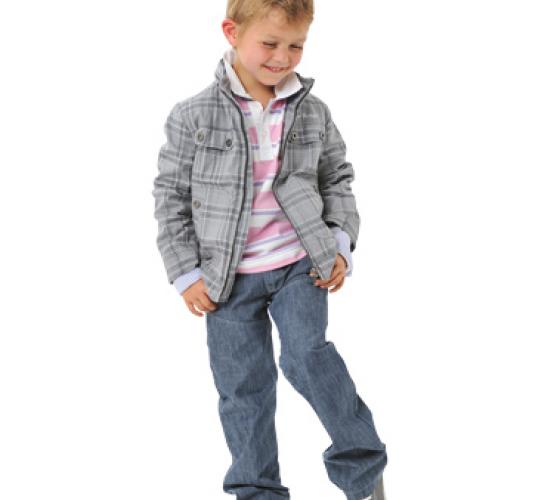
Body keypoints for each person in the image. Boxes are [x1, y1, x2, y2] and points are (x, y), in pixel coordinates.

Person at [152, 1, 388, 498]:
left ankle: (363, 469)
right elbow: (170, 196)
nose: (283, 57)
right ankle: (257, 490)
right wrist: (185, 272)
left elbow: (337, 178)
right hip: (225, 278)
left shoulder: (312, 111)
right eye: (270, 43)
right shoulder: (192, 115)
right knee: (243, 388)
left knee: (307, 355)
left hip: (301, 264)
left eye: (296, 45)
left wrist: (339, 243)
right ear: (232, 32)